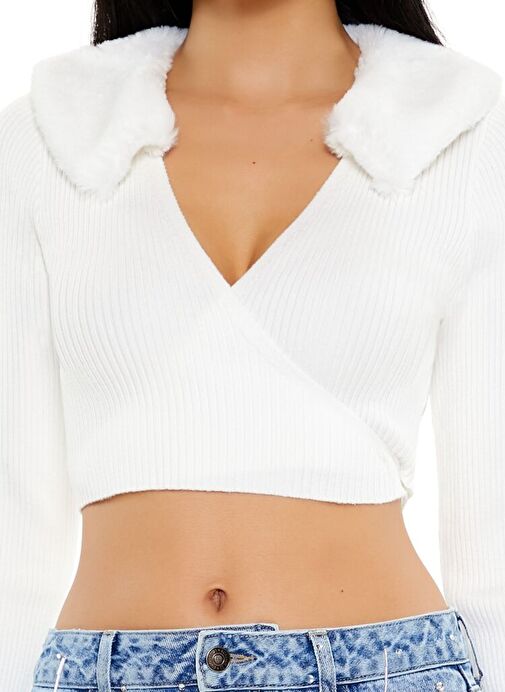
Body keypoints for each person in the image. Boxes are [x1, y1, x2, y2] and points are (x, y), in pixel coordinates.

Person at [1, 1, 504, 690]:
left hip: (387, 667)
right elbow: (14, 519)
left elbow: (493, 515)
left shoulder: (463, 129)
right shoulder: (49, 135)